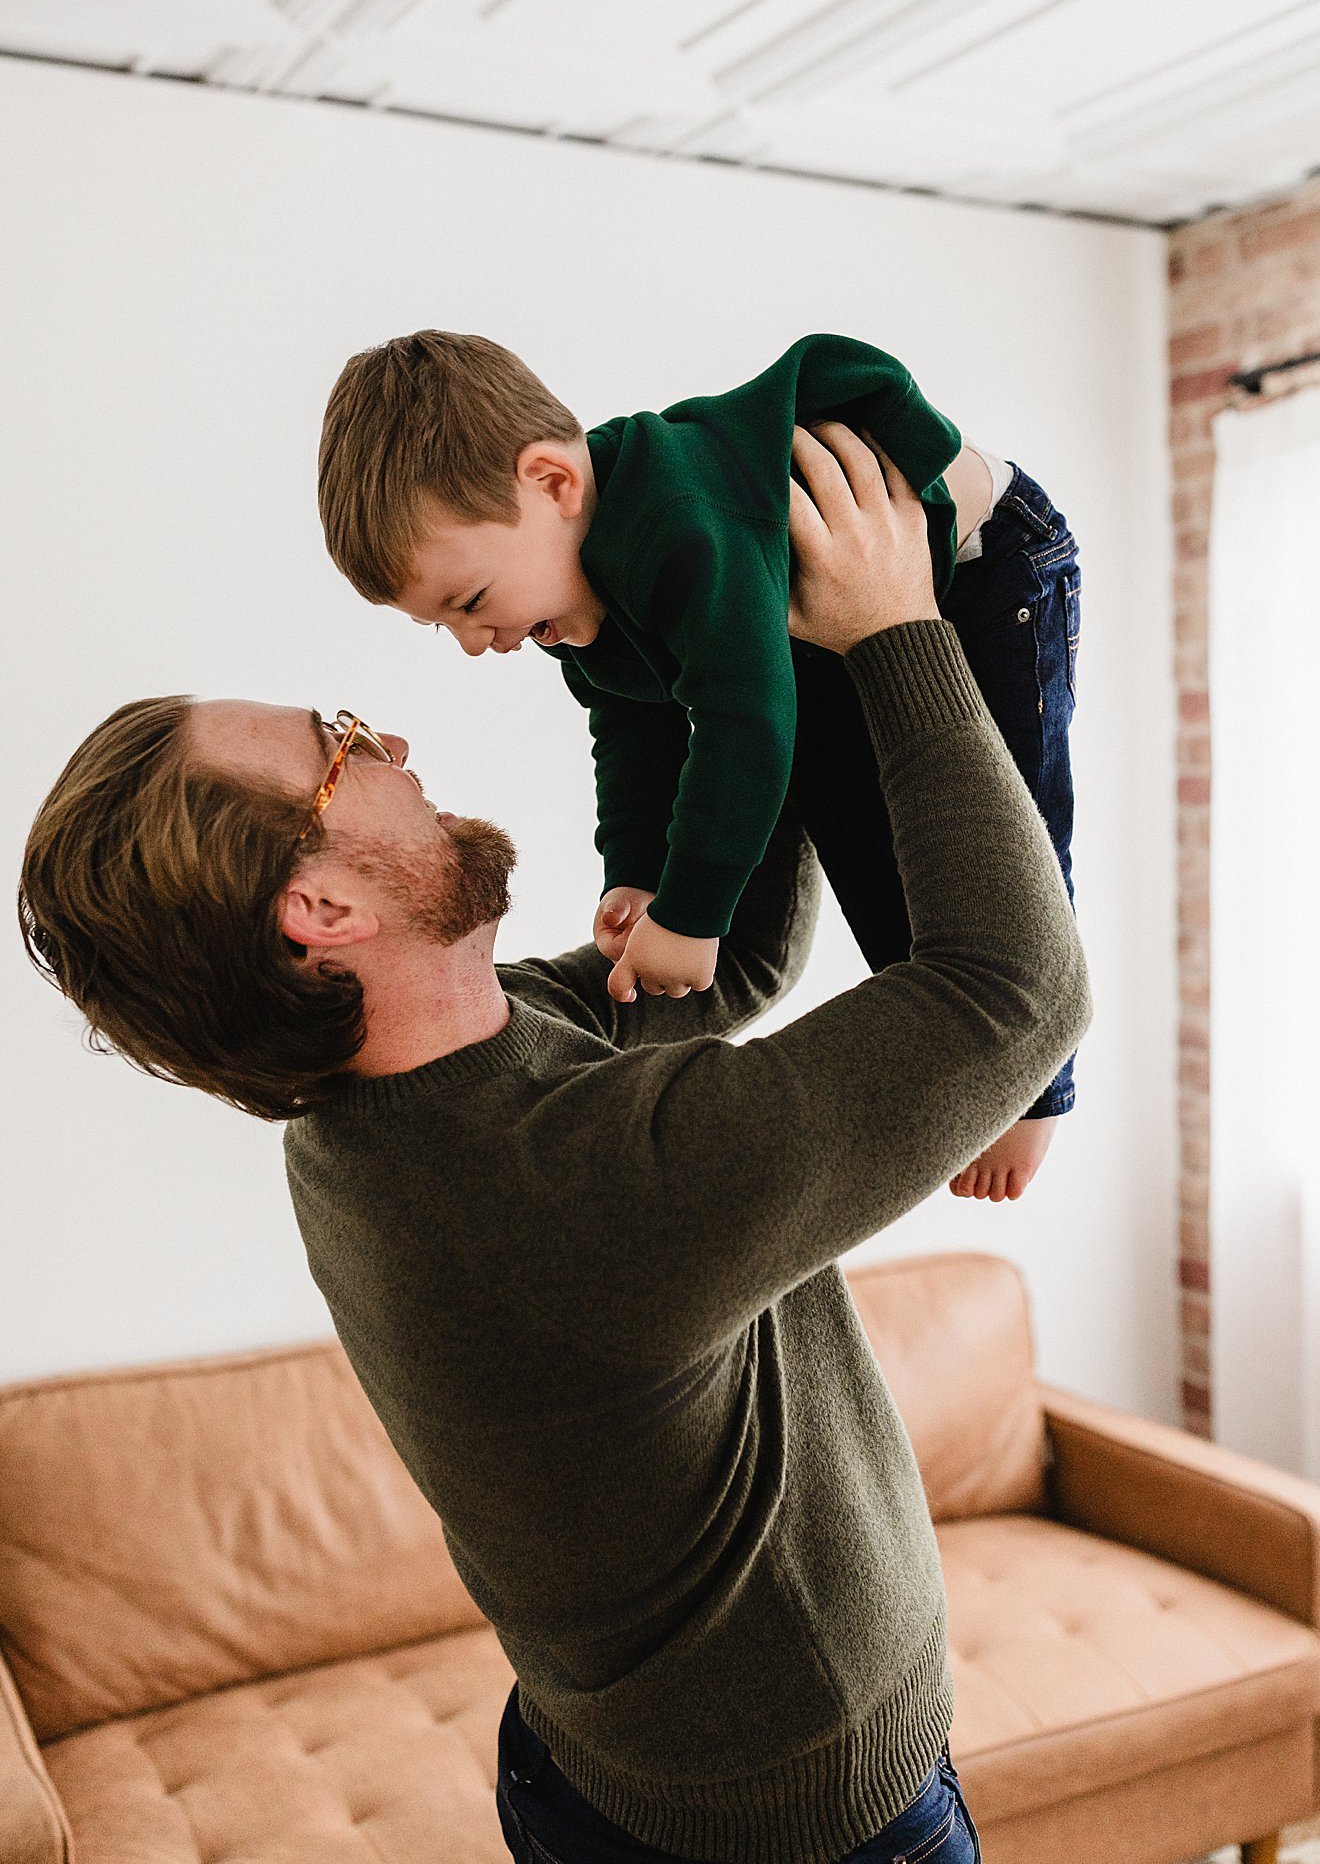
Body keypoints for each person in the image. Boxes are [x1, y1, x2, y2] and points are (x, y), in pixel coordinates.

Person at [20, 426, 1090, 1864]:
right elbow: (1013, 992)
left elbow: (724, 972)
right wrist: (893, 627)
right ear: (320, 912)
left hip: (604, 1774)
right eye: (338, 751)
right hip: (805, 1835)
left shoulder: (395, 1091)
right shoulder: (566, 1191)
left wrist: (736, 646)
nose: (386, 738)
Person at [318, 331, 1083, 1203]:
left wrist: (689, 914)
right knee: (868, 840)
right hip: (815, 628)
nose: (471, 644)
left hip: (988, 570)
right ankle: (991, 1072)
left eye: (471, 603)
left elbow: (743, 728)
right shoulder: (577, 592)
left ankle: (1038, 1090)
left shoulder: (678, 527)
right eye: (439, 627)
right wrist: (639, 876)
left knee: (1008, 826)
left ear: (552, 483)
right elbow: (633, 728)